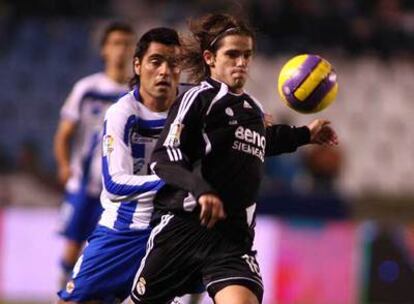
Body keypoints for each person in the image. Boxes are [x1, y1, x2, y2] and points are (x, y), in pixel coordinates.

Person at [130, 13, 338, 304]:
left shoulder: (252, 108)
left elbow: (261, 141)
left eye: (247, 55)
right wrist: (201, 190)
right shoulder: (198, 99)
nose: (241, 62)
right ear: (210, 58)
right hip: (184, 230)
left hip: (232, 240)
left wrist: (305, 134)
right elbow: (165, 156)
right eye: (232, 54)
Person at [58, 27, 203, 303]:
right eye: (155, 61)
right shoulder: (122, 112)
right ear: (138, 65)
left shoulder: (194, 104)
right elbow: (114, 184)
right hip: (124, 228)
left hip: (171, 229)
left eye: (173, 64)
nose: (164, 71)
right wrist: (180, 181)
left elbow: (235, 107)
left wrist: (259, 118)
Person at [53, 22, 135, 286]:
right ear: (104, 50)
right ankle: (61, 294)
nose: (121, 50)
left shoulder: (137, 94)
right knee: (73, 245)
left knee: (109, 251)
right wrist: (64, 165)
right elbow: (64, 133)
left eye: (127, 43)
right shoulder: (87, 88)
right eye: (116, 43)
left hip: (119, 189)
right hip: (84, 185)